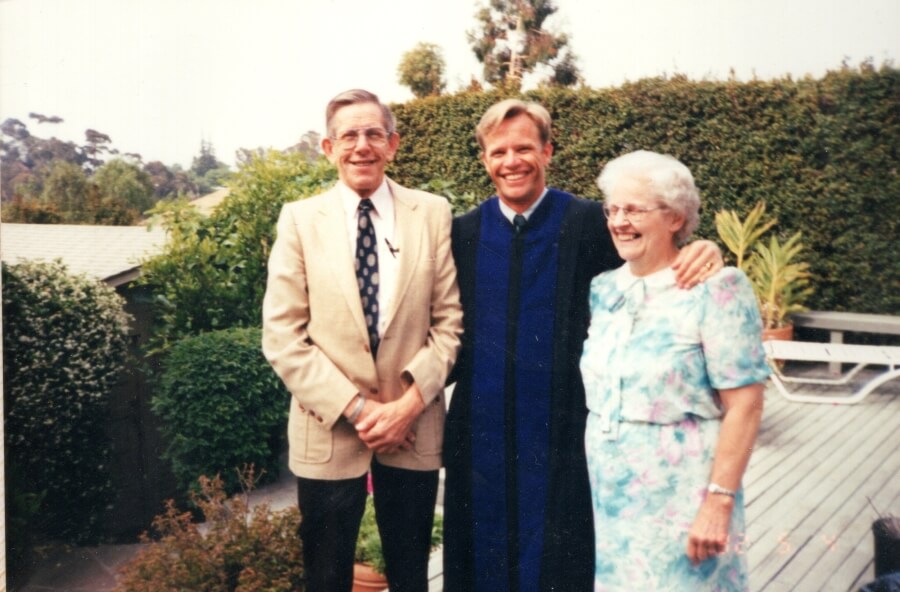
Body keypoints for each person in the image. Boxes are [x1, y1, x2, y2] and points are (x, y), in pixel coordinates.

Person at [442, 99, 724, 592]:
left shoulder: (590, 221)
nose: (512, 161)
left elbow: (656, 250)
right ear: (485, 160)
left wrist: (705, 247)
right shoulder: (462, 232)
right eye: (499, 151)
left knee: (560, 558)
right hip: (480, 429)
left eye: (525, 148)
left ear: (548, 151)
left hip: (564, 429)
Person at [262, 89, 462, 592]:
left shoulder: (433, 212)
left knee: (410, 576)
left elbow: (450, 323)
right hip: (329, 430)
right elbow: (283, 336)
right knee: (326, 578)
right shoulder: (300, 220)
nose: (362, 146)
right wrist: (359, 410)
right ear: (328, 148)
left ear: (392, 144)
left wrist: (407, 406)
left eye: (374, 133)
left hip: (411, 429)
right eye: (348, 135)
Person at [581, 150, 770, 590]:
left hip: (685, 497)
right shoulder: (604, 289)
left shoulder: (716, 287)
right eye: (613, 209)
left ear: (675, 217)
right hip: (611, 500)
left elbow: (746, 404)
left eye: (635, 209)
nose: (619, 221)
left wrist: (718, 502)